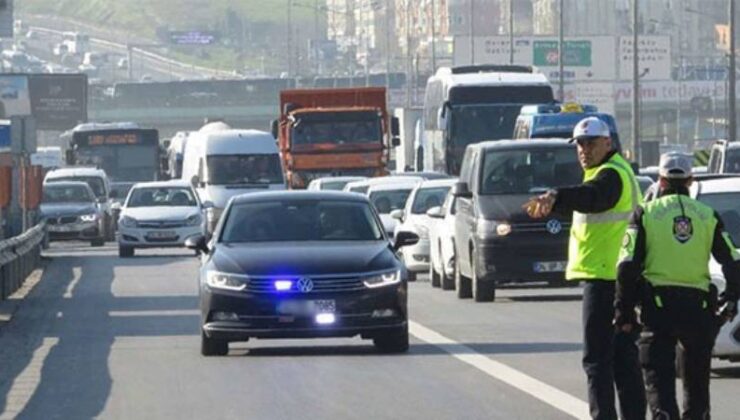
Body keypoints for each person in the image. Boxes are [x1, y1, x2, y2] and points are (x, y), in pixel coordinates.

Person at [523, 117, 646, 420]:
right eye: (579, 144)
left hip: (605, 279)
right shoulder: (616, 172)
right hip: (620, 278)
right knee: (622, 359)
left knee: (597, 361)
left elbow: (592, 197)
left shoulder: (611, 175)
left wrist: (557, 196)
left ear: (608, 143)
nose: (584, 150)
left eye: (591, 143)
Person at [615, 152, 740, 420]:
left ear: (660, 181)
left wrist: (623, 311)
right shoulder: (708, 215)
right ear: (691, 180)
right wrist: (731, 298)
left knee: (658, 379)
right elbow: (733, 261)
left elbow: (627, 265)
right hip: (698, 308)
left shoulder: (645, 213)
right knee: (697, 384)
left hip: (658, 308)